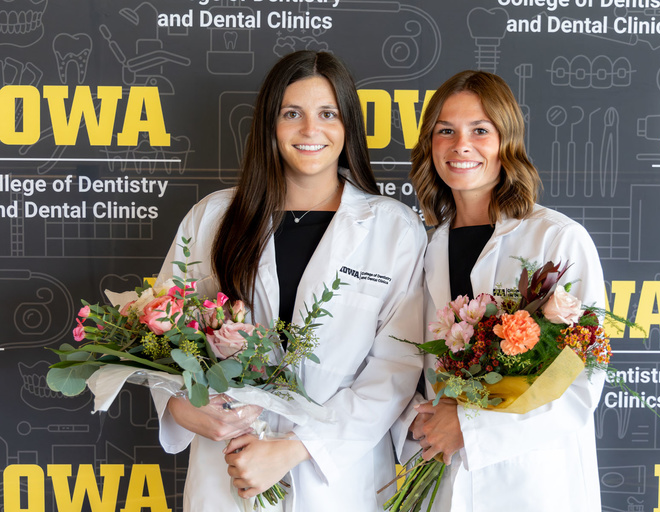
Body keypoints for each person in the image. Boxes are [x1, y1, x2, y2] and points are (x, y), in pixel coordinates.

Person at [152, 50, 426, 512]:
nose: (310, 130)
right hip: (228, 470)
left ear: (347, 127)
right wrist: (181, 408)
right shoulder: (213, 218)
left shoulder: (392, 228)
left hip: (337, 483)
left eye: (327, 114)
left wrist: (296, 448)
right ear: (269, 125)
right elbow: (161, 333)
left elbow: (395, 372)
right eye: (291, 114)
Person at [392, 70, 605, 511]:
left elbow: (579, 380)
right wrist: (424, 424)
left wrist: (471, 428)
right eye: (445, 131)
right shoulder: (423, 247)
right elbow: (404, 363)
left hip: (530, 482)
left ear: (506, 141)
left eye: (480, 130)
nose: (460, 145)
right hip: (439, 472)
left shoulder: (555, 240)